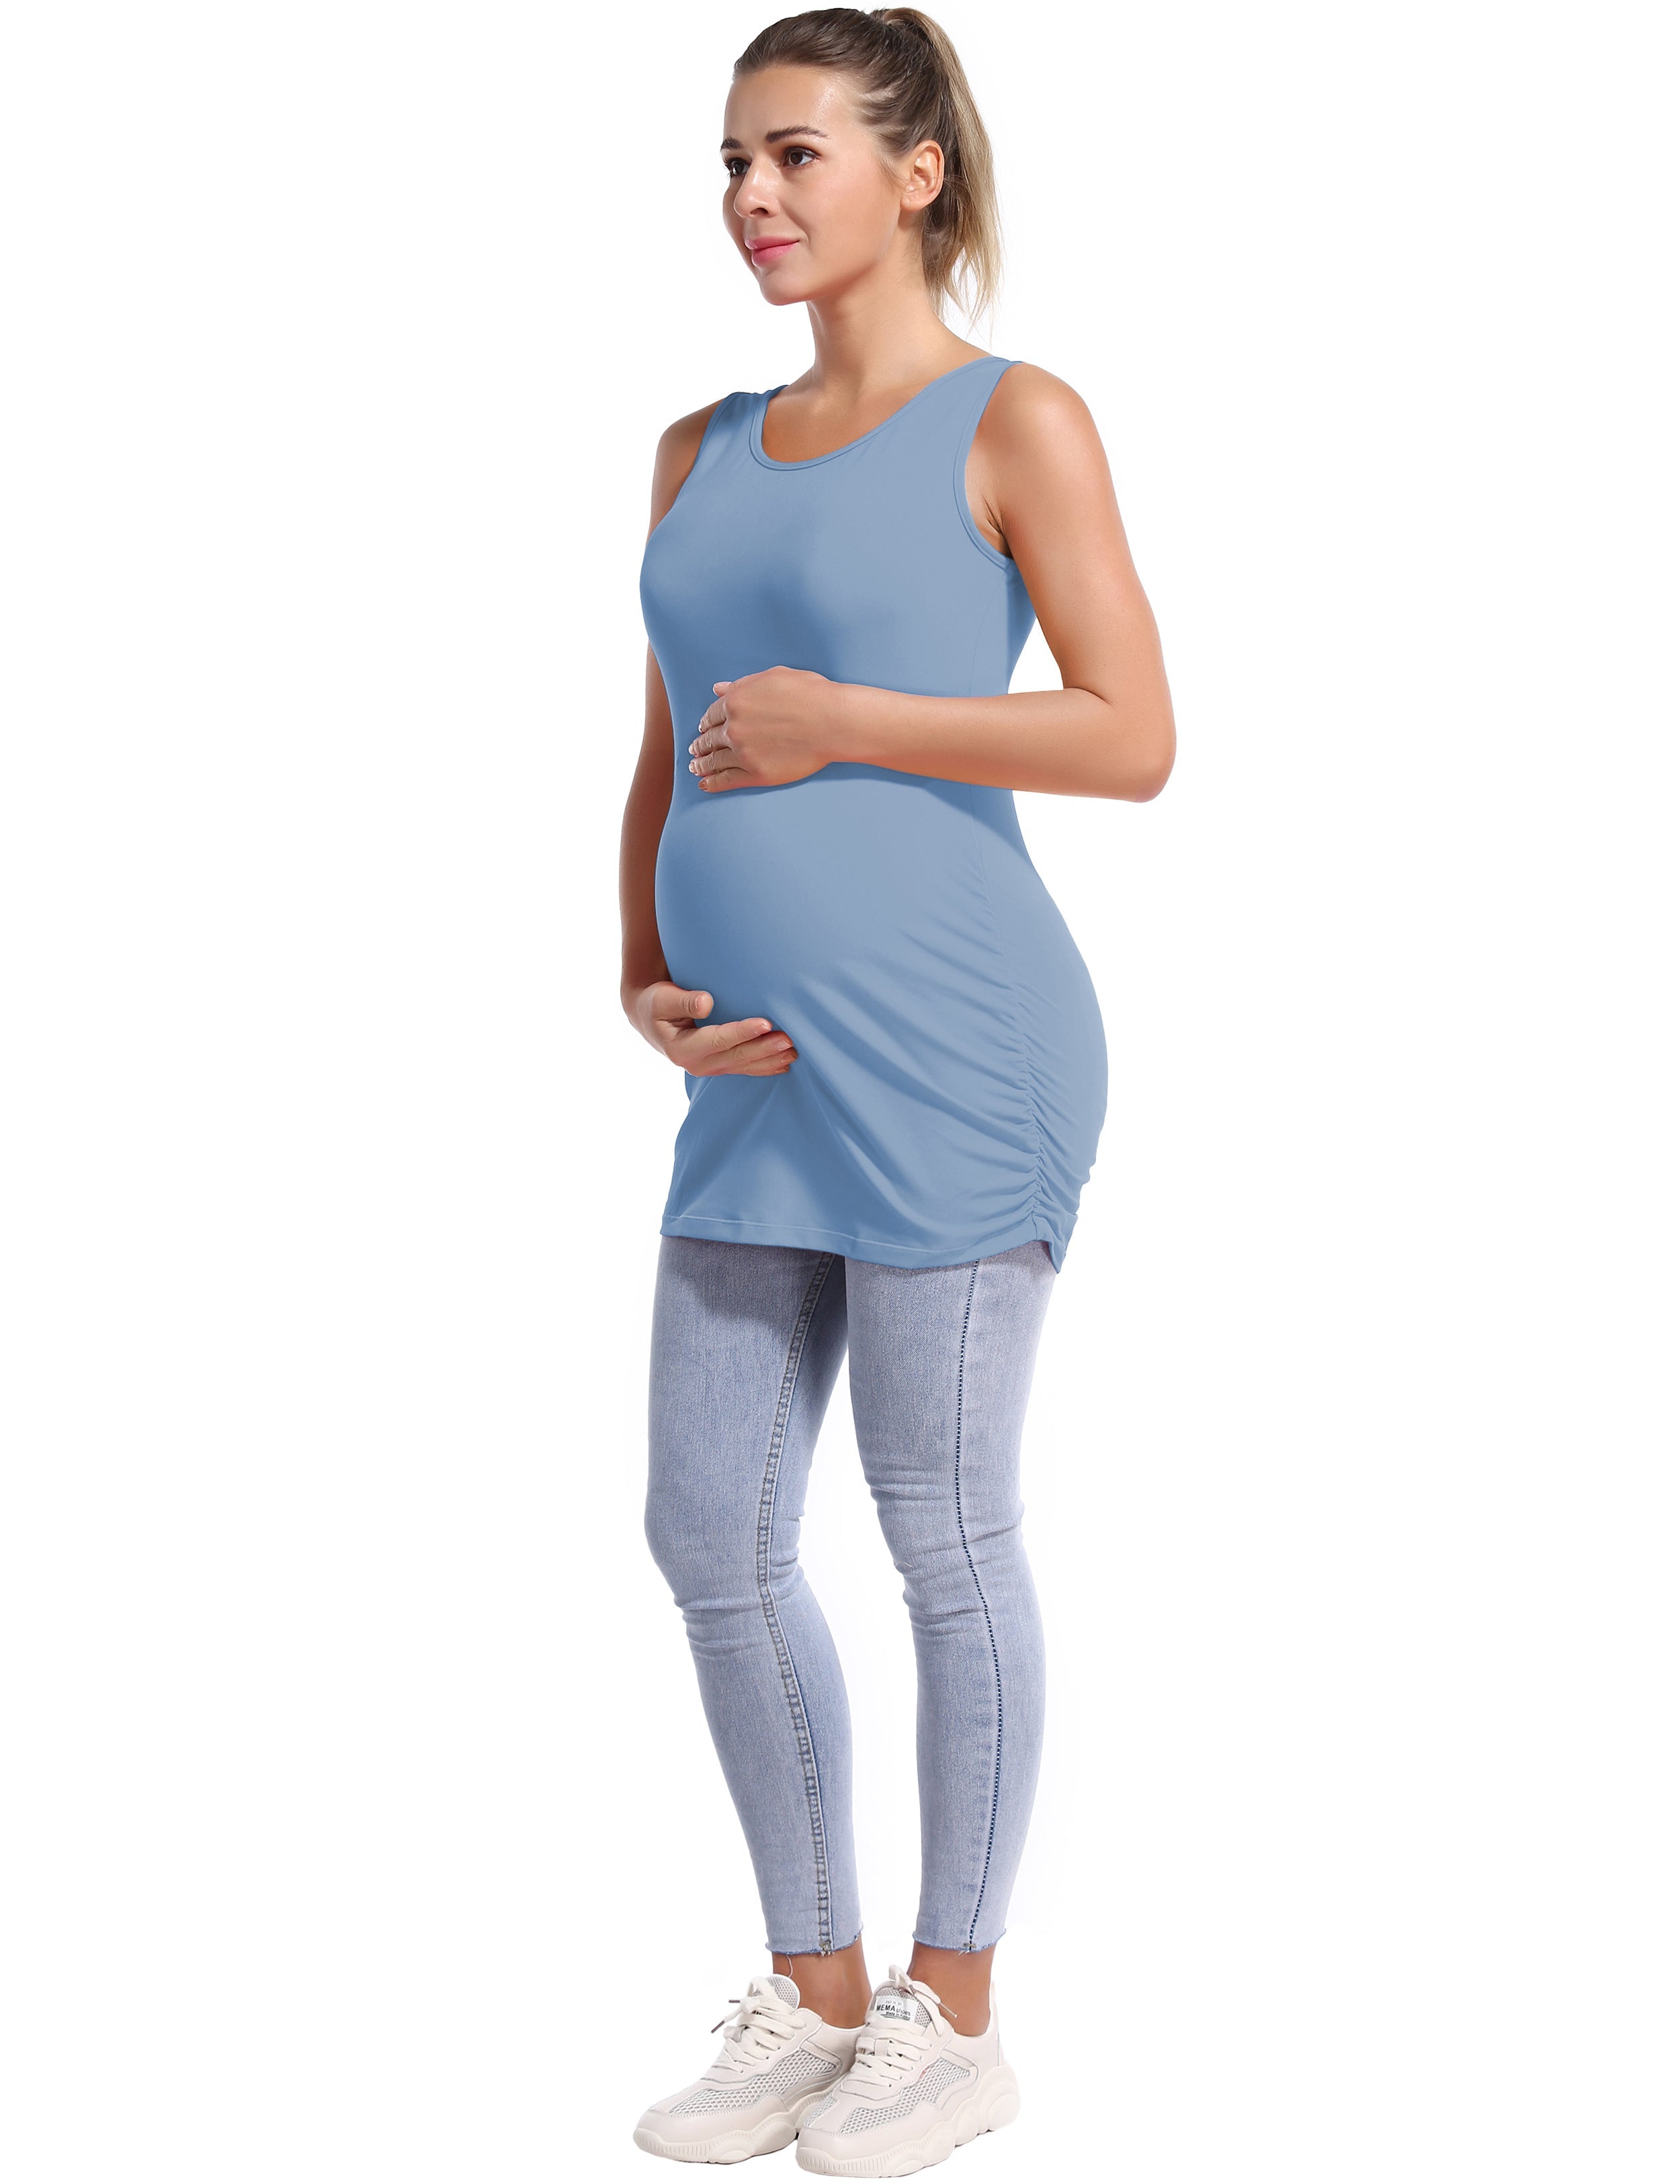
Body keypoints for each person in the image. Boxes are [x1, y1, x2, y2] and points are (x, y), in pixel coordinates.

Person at [619, 9, 1175, 2171]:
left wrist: (852, 715)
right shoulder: (694, 447)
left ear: (915, 172)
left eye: (795, 155)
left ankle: (956, 2009)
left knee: (940, 1529)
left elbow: (1128, 731)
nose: (752, 197)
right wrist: (641, 971)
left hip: (956, 1050)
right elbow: (666, 749)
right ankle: (818, 1987)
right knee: (708, 1529)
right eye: (730, 163)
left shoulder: (1014, 418)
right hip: (750, 1075)